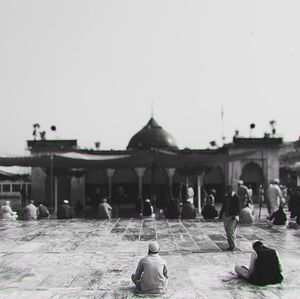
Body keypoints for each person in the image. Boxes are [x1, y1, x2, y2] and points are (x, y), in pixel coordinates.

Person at [219, 185, 240, 251]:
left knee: (230, 230)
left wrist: (234, 215)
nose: (228, 191)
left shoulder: (235, 197)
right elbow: (223, 207)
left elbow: (238, 207)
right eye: (227, 190)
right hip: (226, 217)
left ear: (231, 190)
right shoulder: (226, 197)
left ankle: (232, 246)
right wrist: (220, 215)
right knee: (228, 231)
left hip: (233, 217)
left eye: (229, 190)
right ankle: (231, 244)